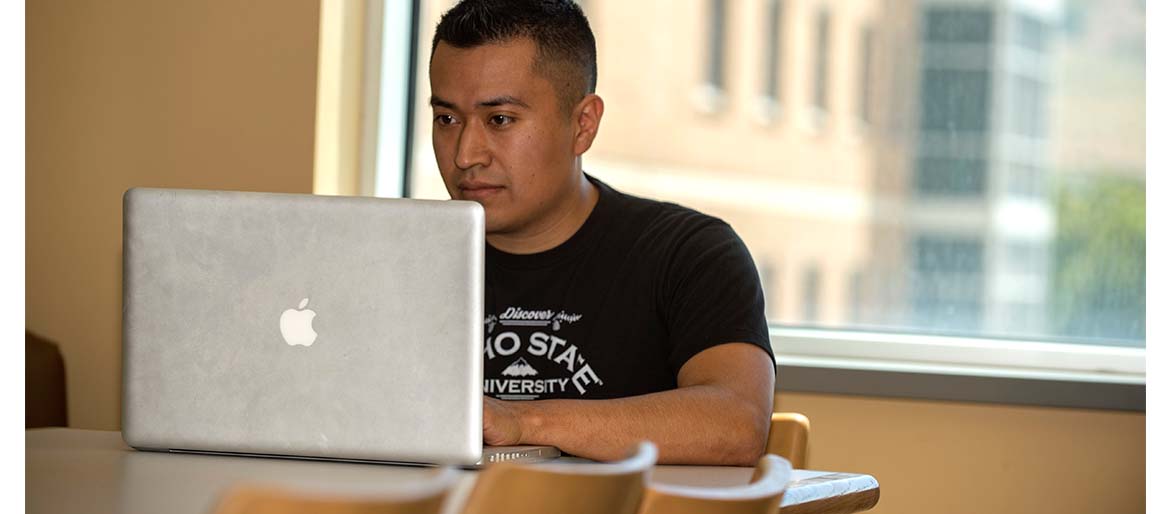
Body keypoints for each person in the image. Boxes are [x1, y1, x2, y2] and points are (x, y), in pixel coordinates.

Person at [428, 0, 776, 466]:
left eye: (500, 120)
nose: (466, 154)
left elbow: (736, 424)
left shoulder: (688, 253)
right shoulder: (400, 259)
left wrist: (524, 422)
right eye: (447, 119)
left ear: (582, 125)